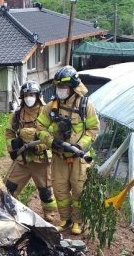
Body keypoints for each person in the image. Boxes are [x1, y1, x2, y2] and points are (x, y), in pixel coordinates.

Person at [37, 65, 99, 235]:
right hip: (59, 156)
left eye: (63, 87)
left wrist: (80, 146)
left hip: (79, 158)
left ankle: (78, 221)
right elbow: (39, 126)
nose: (60, 90)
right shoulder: (52, 105)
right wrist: (51, 142)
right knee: (60, 189)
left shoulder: (86, 105)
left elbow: (93, 130)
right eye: (58, 87)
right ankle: (65, 220)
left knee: (78, 190)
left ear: (72, 87)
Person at [4, 80, 57, 221]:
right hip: (23, 160)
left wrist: (38, 146)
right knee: (9, 188)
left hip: (41, 160)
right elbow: (9, 132)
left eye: (32, 94)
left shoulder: (47, 112)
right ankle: (4, 210)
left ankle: (49, 214)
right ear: (22, 96)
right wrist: (12, 148)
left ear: (38, 95)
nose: (29, 97)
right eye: (27, 94)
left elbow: (53, 135)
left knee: (46, 191)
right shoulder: (17, 114)